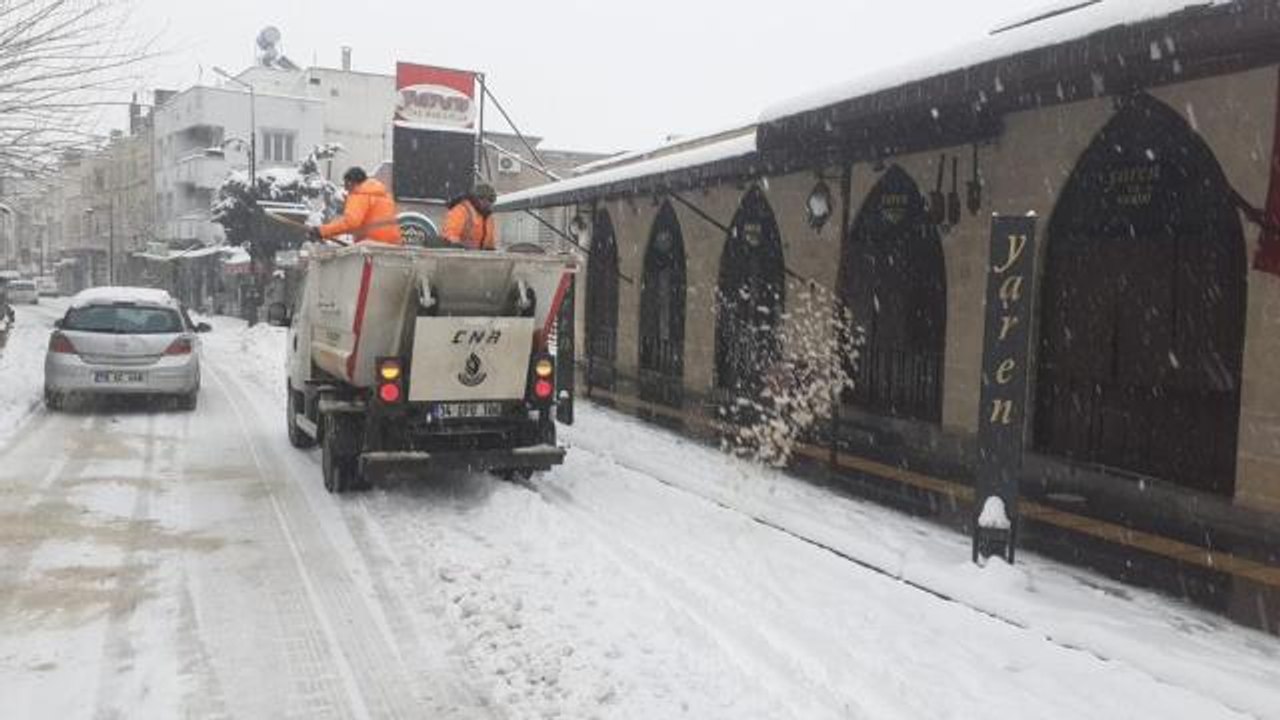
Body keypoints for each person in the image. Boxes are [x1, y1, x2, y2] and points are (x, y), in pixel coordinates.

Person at [309, 167, 403, 246]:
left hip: (371, 246)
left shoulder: (359, 194)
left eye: (346, 184)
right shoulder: (385, 196)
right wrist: (327, 234)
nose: (346, 190)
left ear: (351, 182)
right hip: (393, 246)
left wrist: (322, 231)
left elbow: (350, 223)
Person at [441, 183, 498, 250]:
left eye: (491, 200)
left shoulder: (489, 218)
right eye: (483, 199)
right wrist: (461, 247)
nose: (488, 203)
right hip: (459, 255)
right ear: (476, 198)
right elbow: (449, 235)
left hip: (479, 257)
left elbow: (489, 244)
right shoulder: (461, 211)